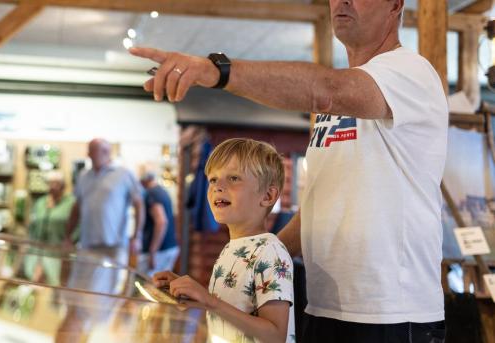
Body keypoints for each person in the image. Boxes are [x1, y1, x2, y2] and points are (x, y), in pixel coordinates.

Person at [130, 0, 448, 341]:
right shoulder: (342, 103)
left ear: (395, 5)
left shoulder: (409, 72)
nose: (342, 1)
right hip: (325, 307)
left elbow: (325, 91)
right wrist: (250, 267)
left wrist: (216, 71)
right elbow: (317, 210)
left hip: (392, 316)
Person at [153, 138, 295, 343]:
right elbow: (228, 312)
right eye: (212, 179)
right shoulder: (230, 249)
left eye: (234, 178)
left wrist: (209, 301)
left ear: (268, 195)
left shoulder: (270, 252)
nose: (217, 187)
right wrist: (190, 294)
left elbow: (275, 335)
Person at [65, 138, 144, 266]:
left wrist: (137, 237)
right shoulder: (83, 176)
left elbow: (139, 205)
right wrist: (68, 235)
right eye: (89, 151)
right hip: (87, 245)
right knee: (84, 285)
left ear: (106, 152)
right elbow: (77, 208)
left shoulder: (124, 174)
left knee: (110, 286)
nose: (88, 154)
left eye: (92, 151)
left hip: (113, 246)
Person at [24, 170, 76, 285]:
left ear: (63, 186)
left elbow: (77, 228)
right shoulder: (40, 203)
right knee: (34, 284)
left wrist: (70, 242)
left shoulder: (71, 203)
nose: (52, 187)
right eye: (50, 183)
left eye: (56, 183)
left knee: (55, 285)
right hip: (36, 253)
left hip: (58, 255)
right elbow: (32, 227)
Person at [136, 170, 179, 277]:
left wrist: (152, 252)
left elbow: (161, 221)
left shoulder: (151, 193)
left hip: (159, 251)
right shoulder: (162, 191)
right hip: (169, 247)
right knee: (161, 286)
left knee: (144, 285)